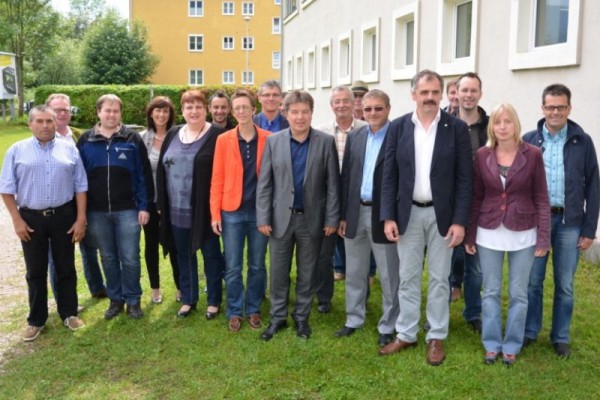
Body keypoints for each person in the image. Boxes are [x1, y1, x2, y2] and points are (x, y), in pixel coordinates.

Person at [379, 70, 473, 366]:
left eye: (435, 92)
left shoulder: (456, 128)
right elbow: (389, 175)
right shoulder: (397, 127)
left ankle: (436, 336)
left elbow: (464, 179)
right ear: (413, 95)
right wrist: (388, 216)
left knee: (439, 278)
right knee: (407, 276)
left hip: (442, 215)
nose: (430, 97)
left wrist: (459, 221)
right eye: (424, 92)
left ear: (442, 94)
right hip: (407, 213)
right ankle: (406, 332)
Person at [465, 103, 550, 366]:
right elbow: (477, 196)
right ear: (492, 127)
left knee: (518, 292)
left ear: (516, 125)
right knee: (489, 291)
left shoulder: (533, 154)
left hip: (524, 232)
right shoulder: (482, 155)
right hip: (488, 230)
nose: (502, 127)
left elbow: (541, 198)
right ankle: (492, 344)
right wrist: (469, 235)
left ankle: (512, 344)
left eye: (508, 122)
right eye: (498, 122)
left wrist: (544, 238)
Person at [256, 90, 340, 341]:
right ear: (286, 113)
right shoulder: (274, 141)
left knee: (308, 271)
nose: (300, 117)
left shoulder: (324, 142)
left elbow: (333, 184)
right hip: (280, 220)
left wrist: (332, 219)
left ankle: (301, 317)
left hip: (312, 220)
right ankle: (278, 317)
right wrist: (263, 217)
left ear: (311, 114)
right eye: (294, 112)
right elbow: (265, 184)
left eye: (305, 112)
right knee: (279, 272)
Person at [523, 84, 600, 358]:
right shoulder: (530, 140)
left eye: (561, 107)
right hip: (537, 223)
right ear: (542, 108)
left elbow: (593, 186)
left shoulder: (582, 141)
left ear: (569, 108)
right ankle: (530, 331)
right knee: (533, 281)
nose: (555, 111)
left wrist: (589, 228)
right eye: (550, 106)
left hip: (569, 223)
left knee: (565, 284)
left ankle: (560, 337)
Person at [0, 105, 86, 341]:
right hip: (31, 218)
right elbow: (6, 189)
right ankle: (36, 320)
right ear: (30, 124)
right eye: (39, 121)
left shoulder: (69, 150)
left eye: (49, 121)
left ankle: (69, 313)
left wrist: (80, 218)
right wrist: (16, 221)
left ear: (55, 123)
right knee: (35, 270)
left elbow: (80, 186)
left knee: (65, 267)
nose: (46, 125)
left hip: (63, 216)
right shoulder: (17, 151)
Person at [78, 94, 154, 320]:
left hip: (128, 210)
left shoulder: (132, 139)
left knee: (130, 256)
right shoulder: (85, 140)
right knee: (108, 257)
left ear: (121, 114)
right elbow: (78, 179)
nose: (111, 114)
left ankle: (133, 300)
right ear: (98, 112)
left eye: (115, 111)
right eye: (107, 110)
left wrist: (144, 206)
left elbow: (143, 175)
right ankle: (115, 299)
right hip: (97, 212)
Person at [335, 89, 400, 348]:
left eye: (378, 108)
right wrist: (343, 214)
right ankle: (354, 319)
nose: (372, 113)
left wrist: (392, 215)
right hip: (355, 211)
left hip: (383, 214)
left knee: (388, 273)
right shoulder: (357, 135)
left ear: (388, 109)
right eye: (368, 108)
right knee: (355, 270)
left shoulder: (398, 135)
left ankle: (389, 323)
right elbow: (347, 176)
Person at [157, 89, 226, 319]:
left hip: (204, 211)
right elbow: (162, 170)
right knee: (183, 255)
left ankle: (214, 300)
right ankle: (189, 298)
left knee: (211, 256)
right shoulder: (174, 133)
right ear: (183, 110)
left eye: (198, 107)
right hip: (176, 210)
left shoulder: (217, 135)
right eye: (189, 107)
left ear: (206, 109)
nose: (193, 111)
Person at [210, 89, 270, 332]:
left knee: (257, 264)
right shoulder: (223, 140)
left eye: (246, 107)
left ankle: (253, 308)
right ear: (232, 112)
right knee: (233, 265)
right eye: (237, 108)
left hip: (259, 212)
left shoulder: (269, 138)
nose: (242, 111)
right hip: (231, 212)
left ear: (254, 110)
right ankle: (235, 310)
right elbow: (217, 179)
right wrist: (215, 214)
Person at [45, 93, 107, 300]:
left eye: (65, 109)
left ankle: (97, 287)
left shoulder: (79, 136)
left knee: (90, 246)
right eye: (57, 110)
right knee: (59, 256)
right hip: (59, 204)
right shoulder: (44, 138)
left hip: (82, 199)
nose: (62, 113)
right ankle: (64, 300)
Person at [315, 85, 368, 313]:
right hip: (327, 200)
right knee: (324, 254)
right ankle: (324, 299)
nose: (342, 105)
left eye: (346, 100)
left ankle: (359, 300)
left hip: (357, 199)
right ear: (331, 105)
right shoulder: (321, 132)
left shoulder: (367, 130)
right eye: (337, 101)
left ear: (353, 103)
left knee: (358, 255)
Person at [450, 72, 489, 332]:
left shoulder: (491, 125)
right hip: (450, 201)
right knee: (448, 257)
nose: (468, 95)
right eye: (464, 90)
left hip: (482, 202)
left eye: (473, 90)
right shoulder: (445, 123)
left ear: (480, 94)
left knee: (476, 266)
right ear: (457, 92)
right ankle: (441, 308)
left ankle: (473, 312)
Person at [140, 96, 181, 304]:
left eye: (165, 111)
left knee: (174, 246)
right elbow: (140, 174)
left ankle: (181, 288)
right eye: (157, 110)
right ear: (151, 113)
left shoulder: (179, 136)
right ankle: (155, 289)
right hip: (149, 203)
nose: (161, 115)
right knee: (151, 246)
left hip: (173, 204)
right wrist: (147, 204)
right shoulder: (142, 138)